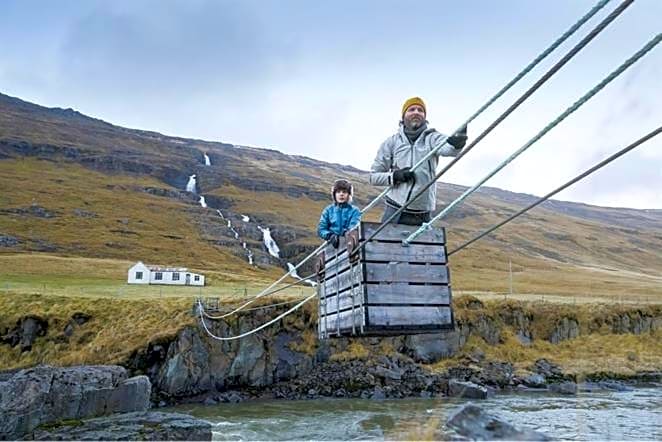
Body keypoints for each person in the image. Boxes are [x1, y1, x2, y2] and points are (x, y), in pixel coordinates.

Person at [369, 96, 468, 226]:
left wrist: (457, 142)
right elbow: (373, 177)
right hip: (395, 210)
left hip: (423, 213)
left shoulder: (432, 137)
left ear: (424, 116)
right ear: (403, 116)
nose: (416, 112)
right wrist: (395, 176)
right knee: (386, 246)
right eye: (411, 109)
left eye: (420, 110)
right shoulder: (391, 143)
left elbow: (448, 149)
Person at [317, 179, 361, 248]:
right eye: (338, 192)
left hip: (349, 244)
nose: (341, 194)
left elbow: (354, 226)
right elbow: (321, 229)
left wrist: (346, 233)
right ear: (334, 195)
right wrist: (330, 236)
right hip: (332, 248)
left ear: (349, 194)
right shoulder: (328, 211)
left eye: (344, 192)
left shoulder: (354, 211)